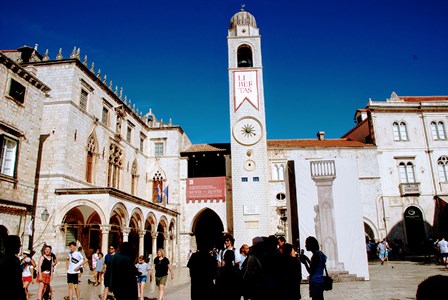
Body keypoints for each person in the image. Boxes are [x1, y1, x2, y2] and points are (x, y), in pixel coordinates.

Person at [0, 235, 26, 300]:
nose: (19, 248)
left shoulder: (3, 259)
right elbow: (16, 281)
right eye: (18, 246)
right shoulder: (13, 261)